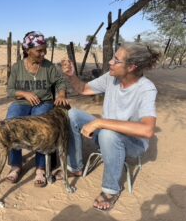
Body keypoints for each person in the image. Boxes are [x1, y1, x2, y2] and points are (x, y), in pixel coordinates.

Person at [61, 42, 160, 211]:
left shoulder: (146, 89)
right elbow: (83, 89)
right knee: (73, 115)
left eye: (116, 60)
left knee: (108, 134)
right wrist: (71, 75)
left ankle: (111, 189)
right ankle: (75, 167)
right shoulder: (111, 77)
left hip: (132, 144)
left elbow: (147, 130)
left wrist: (100, 122)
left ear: (131, 67)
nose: (110, 63)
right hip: (107, 134)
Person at [6, 31, 69, 187]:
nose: (43, 53)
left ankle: (40, 168)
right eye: (39, 50)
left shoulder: (49, 67)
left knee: (41, 127)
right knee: (11, 122)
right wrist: (24, 94)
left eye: (44, 49)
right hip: (22, 103)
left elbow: (61, 82)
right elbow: (10, 90)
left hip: (44, 102)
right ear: (28, 50)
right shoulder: (17, 68)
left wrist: (60, 94)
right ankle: (16, 165)